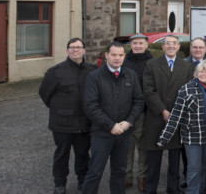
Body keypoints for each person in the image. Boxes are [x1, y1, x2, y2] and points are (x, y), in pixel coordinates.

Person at [81, 41, 144, 194]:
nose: (117, 58)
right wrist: (110, 126)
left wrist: (129, 122)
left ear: (124, 56)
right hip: (102, 133)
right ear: (107, 56)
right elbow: (91, 106)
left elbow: (138, 100)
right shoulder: (94, 77)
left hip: (124, 132)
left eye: (120, 55)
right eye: (114, 55)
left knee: (119, 171)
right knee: (95, 171)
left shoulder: (131, 75)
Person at [39, 38, 96, 194]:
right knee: (61, 154)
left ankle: (82, 180)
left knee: (83, 154)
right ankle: (60, 183)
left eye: (79, 47)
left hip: (85, 123)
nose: (75, 50)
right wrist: (60, 109)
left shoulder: (92, 70)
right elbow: (45, 94)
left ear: (84, 51)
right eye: (72, 47)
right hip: (62, 123)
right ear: (67, 51)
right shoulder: (55, 72)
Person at [141, 34, 195, 194]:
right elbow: (148, 90)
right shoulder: (151, 64)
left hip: (177, 118)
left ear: (178, 47)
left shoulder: (186, 67)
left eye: (174, 43)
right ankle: (150, 189)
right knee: (154, 159)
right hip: (156, 116)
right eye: (168, 43)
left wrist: (176, 113)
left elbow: (187, 91)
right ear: (163, 47)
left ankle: (173, 188)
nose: (171, 46)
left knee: (174, 158)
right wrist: (163, 110)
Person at [157, 61, 206, 194]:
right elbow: (176, 115)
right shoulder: (186, 89)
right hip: (192, 136)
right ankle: (192, 191)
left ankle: (200, 190)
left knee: (204, 167)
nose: (204, 74)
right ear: (196, 73)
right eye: (201, 71)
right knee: (194, 168)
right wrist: (164, 137)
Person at [123, 33, 152, 191]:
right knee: (127, 146)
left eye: (141, 43)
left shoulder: (152, 62)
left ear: (146, 44)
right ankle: (127, 177)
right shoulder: (124, 62)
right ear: (131, 45)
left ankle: (142, 177)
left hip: (144, 111)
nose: (138, 46)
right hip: (126, 112)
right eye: (135, 43)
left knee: (143, 146)